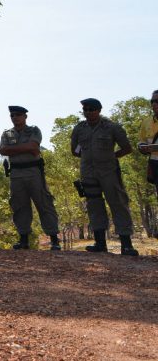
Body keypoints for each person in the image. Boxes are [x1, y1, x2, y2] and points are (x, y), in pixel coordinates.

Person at [70, 98, 138, 256]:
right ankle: (100, 243)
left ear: (99, 110)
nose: (88, 113)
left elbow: (127, 148)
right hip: (88, 173)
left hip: (109, 172)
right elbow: (74, 150)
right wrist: (89, 157)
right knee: (94, 206)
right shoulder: (79, 129)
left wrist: (111, 157)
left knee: (118, 204)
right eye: (85, 110)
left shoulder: (112, 127)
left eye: (91, 109)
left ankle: (126, 245)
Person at [0, 105, 61, 251]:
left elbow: (34, 147)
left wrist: (13, 149)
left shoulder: (34, 130)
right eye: (12, 115)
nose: (15, 118)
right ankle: (24, 240)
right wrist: (25, 147)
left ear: (25, 116)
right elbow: (2, 150)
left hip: (34, 172)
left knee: (44, 203)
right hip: (16, 174)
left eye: (18, 115)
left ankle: (54, 239)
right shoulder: (7, 134)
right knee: (19, 206)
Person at [138, 90, 158, 195]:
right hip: (155, 165)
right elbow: (141, 141)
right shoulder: (146, 122)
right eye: (152, 101)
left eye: (157, 101)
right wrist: (142, 147)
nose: (154, 104)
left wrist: (153, 148)